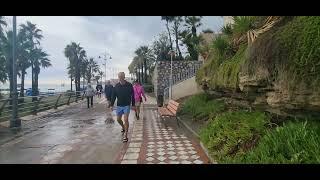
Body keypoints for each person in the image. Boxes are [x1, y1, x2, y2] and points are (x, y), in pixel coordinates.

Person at [110, 72, 135, 143]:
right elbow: (113, 96)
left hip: (127, 105)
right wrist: (111, 105)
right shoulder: (116, 86)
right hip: (119, 105)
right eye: (119, 77)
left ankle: (126, 135)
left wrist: (133, 104)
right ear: (118, 77)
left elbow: (132, 95)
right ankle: (123, 127)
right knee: (118, 119)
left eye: (122, 76)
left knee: (126, 119)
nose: (120, 78)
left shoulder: (129, 85)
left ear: (124, 77)